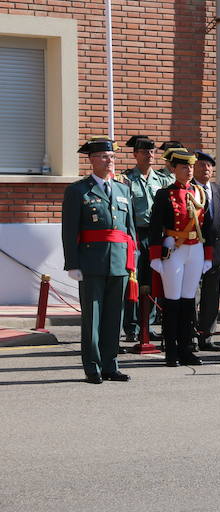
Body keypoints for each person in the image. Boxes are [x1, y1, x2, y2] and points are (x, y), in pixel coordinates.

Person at [62, 137, 138, 383]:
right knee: (92, 318)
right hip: (91, 262)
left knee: (114, 317)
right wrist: (72, 263)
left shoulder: (122, 189)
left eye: (112, 157)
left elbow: (130, 230)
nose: (109, 161)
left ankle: (110, 365)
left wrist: (133, 259)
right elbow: (69, 230)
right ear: (92, 160)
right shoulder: (77, 191)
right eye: (104, 157)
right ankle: (92, 367)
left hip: (119, 263)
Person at [148, 150, 211, 367]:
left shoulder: (200, 192)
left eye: (191, 166)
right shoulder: (164, 194)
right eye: (184, 167)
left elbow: (209, 227)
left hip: (196, 249)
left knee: (188, 302)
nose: (189, 170)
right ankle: (171, 351)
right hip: (174, 249)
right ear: (173, 169)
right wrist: (155, 255)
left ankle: (187, 349)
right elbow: (155, 226)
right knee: (172, 302)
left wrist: (209, 255)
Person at [121, 135, 167, 341]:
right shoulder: (126, 179)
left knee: (153, 278)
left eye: (152, 151)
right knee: (134, 279)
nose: (149, 155)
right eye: (144, 152)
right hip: (136, 233)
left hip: (156, 234)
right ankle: (132, 326)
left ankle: (148, 323)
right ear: (135, 155)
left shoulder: (163, 180)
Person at [192, 151, 220, 351]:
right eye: (201, 165)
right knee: (193, 296)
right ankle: (191, 336)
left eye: (208, 165)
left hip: (215, 251)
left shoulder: (218, 190)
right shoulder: (190, 189)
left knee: (212, 297)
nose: (205, 168)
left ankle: (207, 336)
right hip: (194, 248)